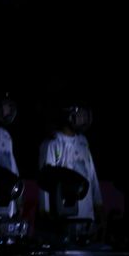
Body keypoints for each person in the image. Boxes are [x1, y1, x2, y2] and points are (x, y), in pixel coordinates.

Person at [37, 100, 103, 236]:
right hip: (65, 218)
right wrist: (45, 211)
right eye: (80, 114)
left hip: (87, 218)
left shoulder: (83, 142)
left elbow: (92, 176)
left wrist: (98, 204)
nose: (83, 118)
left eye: (85, 114)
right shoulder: (53, 143)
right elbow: (44, 180)